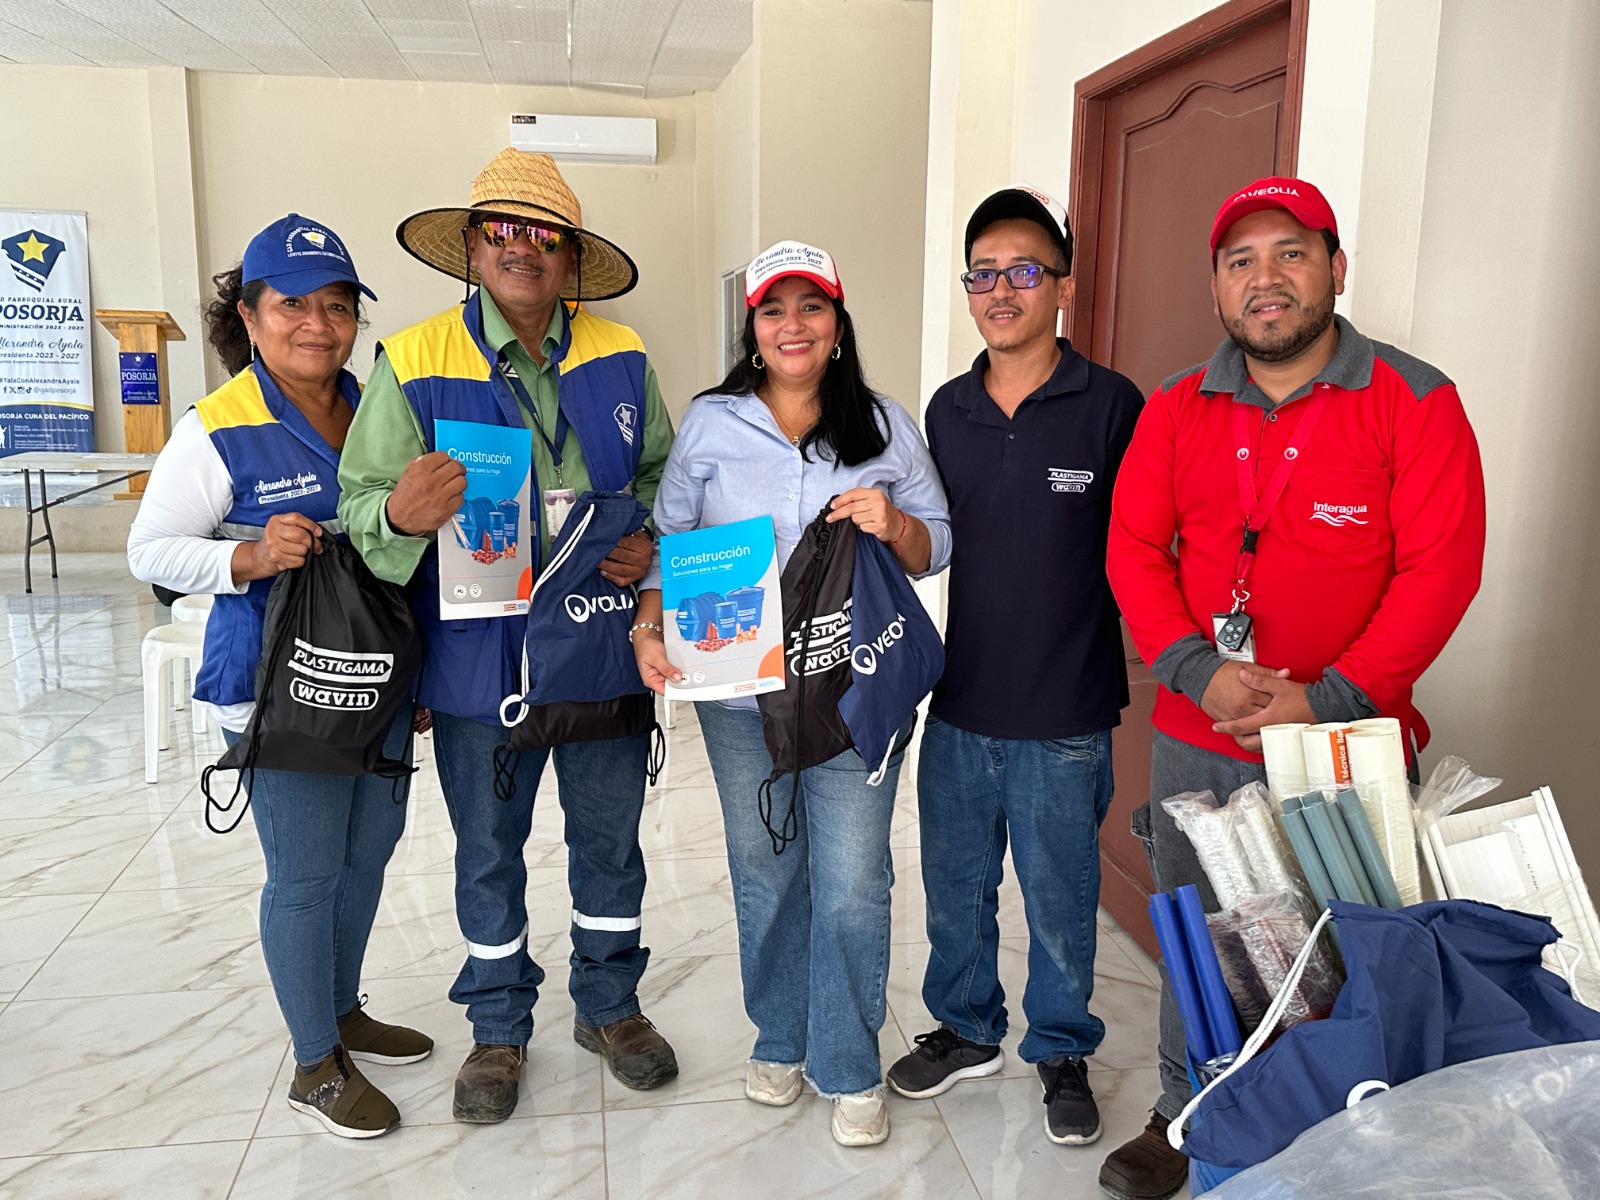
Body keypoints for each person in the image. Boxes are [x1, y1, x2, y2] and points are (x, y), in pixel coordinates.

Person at [1099, 177, 1486, 1200]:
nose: (1264, 279)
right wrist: (1198, 670)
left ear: (1335, 268)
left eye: (1290, 253)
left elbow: (1442, 570)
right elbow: (1133, 547)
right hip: (1199, 733)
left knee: (1349, 941)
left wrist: (1331, 696)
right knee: (1197, 937)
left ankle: (1343, 1128)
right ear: (1217, 288)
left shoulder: (1414, 399)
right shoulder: (1178, 405)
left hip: (1348, 742)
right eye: (1241, 261)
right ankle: (1186, 1113)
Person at [337, 148, 677, 1124]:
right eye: (504, 231)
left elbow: (665, 477)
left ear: (570, 258)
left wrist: (652, 538)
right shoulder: (414, 360)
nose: (524, 249)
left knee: (610, 842)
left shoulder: (622, 352)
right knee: (488, 849)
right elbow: (361, 506)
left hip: (604, 648)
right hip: (478, 663)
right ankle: (497, 1026)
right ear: (474, 248)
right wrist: (397, 513)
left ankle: (609, 1006)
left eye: (545, 236)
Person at [630, 241, 952, 1147]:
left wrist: (896, 524)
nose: (793, 325)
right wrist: (648, 627)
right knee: (766, 871)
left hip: (854, 692)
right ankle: (780, 1036)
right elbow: (667, 540)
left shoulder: (883, 426)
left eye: (812, 307)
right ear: (754, 328)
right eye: (774, 309)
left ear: (838, 326)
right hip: (740, 697)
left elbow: (940, 541)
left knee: (851, 882)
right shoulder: (712, 423)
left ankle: (847, 1062)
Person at [128, 215, 430, 1140]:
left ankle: (340, 1011)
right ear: (250, 319)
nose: (317, 324)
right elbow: (151, 549)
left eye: (336, 306)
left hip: (378, 676)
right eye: (292, 304)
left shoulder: (379, 405)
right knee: (304, 873)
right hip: (278, 687)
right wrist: (249, 556)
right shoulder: (218, 426)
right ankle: (313, 1066)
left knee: (368, 855)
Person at [884, 185, 1144, 1147]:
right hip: (960, 697)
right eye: (983, 274)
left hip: (1067, 710)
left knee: (1061, 901)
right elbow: (923, 538)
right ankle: (966, 1028)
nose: (1001, 289)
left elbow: (1149, 546)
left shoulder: (1112, 405)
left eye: (1024, 270)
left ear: (1063, 286)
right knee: (955, 889)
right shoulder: (945, 411)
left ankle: (1063, 1048)